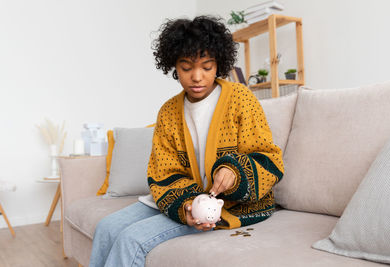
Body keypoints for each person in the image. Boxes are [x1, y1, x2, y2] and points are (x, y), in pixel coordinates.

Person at [89, 15, 284, 267]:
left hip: (231, 205)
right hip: (181, 200)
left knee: (131, 239)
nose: (197, 77)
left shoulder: (241, 99)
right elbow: (163, 172)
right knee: (107, 227)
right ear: (174, 66)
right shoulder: (168, 112)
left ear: (219, 64)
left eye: (207, 66)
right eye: (186, 67)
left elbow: (268, 158)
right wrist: (187, 206)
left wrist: (234, 173)